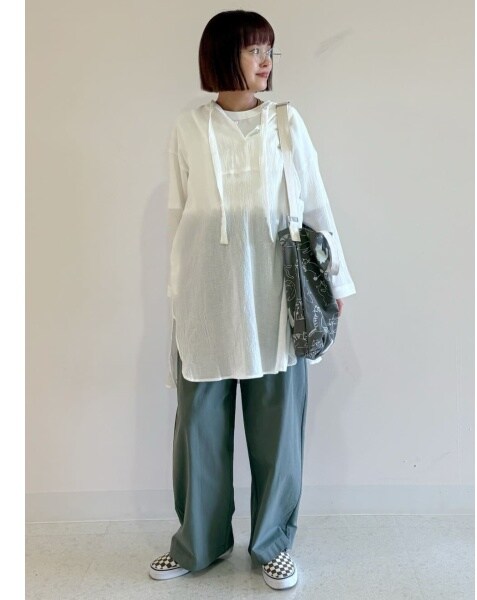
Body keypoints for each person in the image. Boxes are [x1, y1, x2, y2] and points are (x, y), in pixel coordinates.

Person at [149, 9, 356, 591]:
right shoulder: (188, 128)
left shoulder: (286, 123)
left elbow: (314, 204)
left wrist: (336, 281)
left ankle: (273, 545)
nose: (267, 62)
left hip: (274, 297)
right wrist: (175, 297)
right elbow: (177, 217)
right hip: (205, 296)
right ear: (223, 55)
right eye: (254, 50)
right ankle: (199, 542)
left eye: (270, 50)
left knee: (277, 429)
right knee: (199, 429)